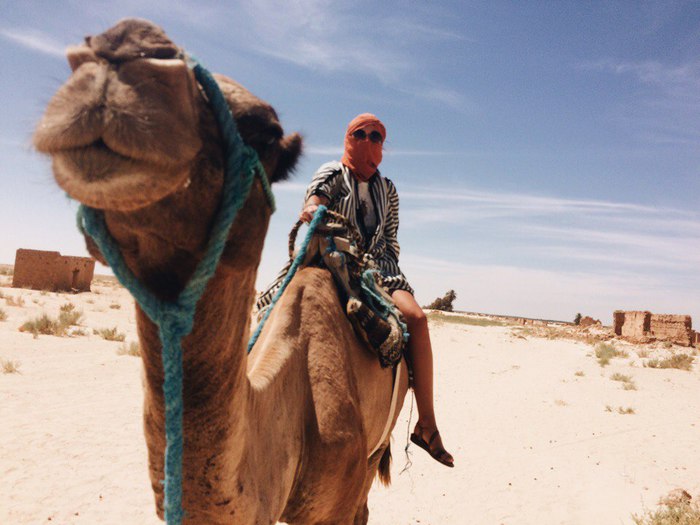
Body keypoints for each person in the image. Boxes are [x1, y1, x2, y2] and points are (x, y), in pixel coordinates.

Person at [257, 113, 454, 468]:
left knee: (417, 319)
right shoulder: (333, 172)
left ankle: (426, 424)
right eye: (359, 134)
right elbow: (315, 197)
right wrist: (314, 210)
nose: (368, 141)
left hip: (379, 269)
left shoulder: (388, 190)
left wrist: (379, 267)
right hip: (332, 256)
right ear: (347, 138)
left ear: (383, 146)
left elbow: (391, 240)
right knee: (267, 308)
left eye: (376, 136)